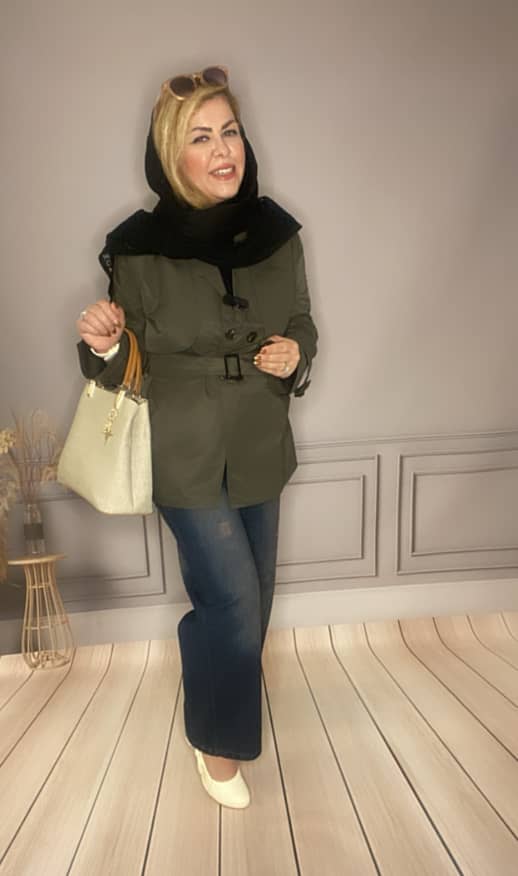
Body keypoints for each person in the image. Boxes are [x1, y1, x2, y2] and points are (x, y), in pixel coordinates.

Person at [75, 65, 317, 809]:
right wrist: (105, 342)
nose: (222, 151)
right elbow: (123, 360)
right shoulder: (137, 248)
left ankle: (210, 679)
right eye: (201, 138)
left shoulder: (278, 235)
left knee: (254, 599)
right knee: (234, 601)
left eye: (230, 132)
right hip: (181, 447)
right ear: (171, 155)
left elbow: (301, 320)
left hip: (259, 440)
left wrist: (296, 353)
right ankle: (218, 746)